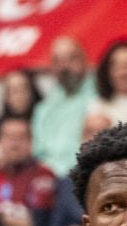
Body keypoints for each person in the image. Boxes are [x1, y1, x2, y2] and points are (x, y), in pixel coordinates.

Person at [32, 38, 92, 174]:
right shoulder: (43, 108)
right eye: (58, 61)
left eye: (72, 59)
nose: (64, 67)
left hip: (85, 173)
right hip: (49, 178)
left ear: (85, 61)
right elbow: (39, 153)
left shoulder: (101, 97)